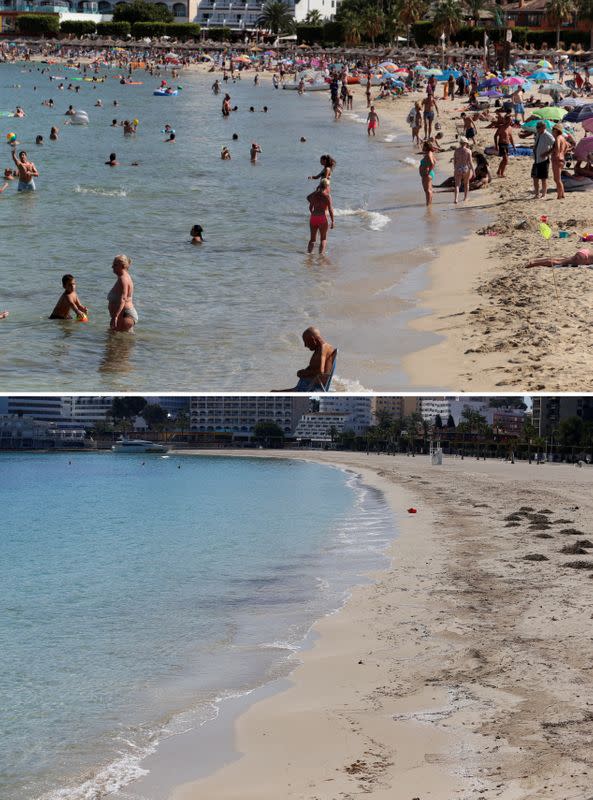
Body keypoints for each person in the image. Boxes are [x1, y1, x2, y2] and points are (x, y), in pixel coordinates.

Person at [273, 327, 336, 392]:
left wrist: (304, 373)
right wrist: (304, 371)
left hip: (313, 387)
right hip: (310, 384)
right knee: (274, 392)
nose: (305, 345)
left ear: (313, 339)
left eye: (306, 342)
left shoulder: (323, 349)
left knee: (274, 393)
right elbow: (315, 367)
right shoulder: (321, 348)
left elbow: (320, 372)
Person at [107, 254, 137, 332]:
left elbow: (123, 299)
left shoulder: (123, 279)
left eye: (115, 265)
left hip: (124, 314)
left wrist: (115, 317)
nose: (112, 267)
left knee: (114, 341)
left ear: (122, 266)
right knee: (123, 342)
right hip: (125, 314)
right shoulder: (124, 277)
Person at [307, 178, 334, 254]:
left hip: (313, 217)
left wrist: (313, 212)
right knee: (323, 239)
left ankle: (308, 255)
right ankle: (321, 256)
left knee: (312, 239)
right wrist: (332, 221)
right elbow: (330, 209)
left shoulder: (314, 195)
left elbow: (309, 204)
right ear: (327, 186)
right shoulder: (327, 196)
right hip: (322, 217)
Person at [532, 120, 554, 199]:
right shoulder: (538, 134)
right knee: (535, 177)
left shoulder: (547, 135)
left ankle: (544, 194)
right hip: (536, 159)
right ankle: (536, 193)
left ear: (543, 127)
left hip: (543, 160)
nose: (537, 128)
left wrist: (547, 153)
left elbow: (555, 145)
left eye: (538, 127)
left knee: (543, 178)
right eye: (537, 127)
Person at [453, 136, 474, 204]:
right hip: (465, 168)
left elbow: (455, 161)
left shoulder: (456, 151)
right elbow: (470, 162)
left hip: (458, 168)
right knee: (466, 183)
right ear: (466, 143)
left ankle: (456, 199)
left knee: (457, 185)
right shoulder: (468, 151)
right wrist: (473, 171)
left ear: (460, 143)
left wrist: (455, 168)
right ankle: (465, 198)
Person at [551, 124, 569, 200]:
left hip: (557, 159)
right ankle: (562, 194)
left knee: (557, 179)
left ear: (556, 130)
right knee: (558, 179)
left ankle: (559, 195)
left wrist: (556, 153)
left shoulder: (558, 138)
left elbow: (558, 147)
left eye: (553, 130)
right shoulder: (563, 138)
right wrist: (562, 153)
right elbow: (567, 146)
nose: (552, 131)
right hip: (562, 159)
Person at [494, 113, 514, 178]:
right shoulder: (501, 127)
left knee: (504, 160)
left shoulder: (510, 128)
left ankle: (498, 171)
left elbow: (510, 137)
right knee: (506, 160)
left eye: (511, 120)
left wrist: (513, 146)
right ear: (506, 120)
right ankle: (501, 173)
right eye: (509, 120)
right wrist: (496, 145)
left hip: (507, 144)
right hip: (501, 144)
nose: (510, 121)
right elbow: (495, 136)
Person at [526, 249, 593, 268]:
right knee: (560, 262)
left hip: (584, 251)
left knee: (561, 259)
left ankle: (535, 260)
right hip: (584, 258)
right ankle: (534, 264)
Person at [419, 141, 436, 207]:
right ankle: (429, 204)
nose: (423, 146)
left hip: (427, 174)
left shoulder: (429, 154)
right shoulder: (430, 153)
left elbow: (432, 163)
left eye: (423, 145)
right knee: (429, 190)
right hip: (428, 174)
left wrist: (428, 171)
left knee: (427, 190)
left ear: (426, 146)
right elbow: (434, 161)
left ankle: (428, 205)